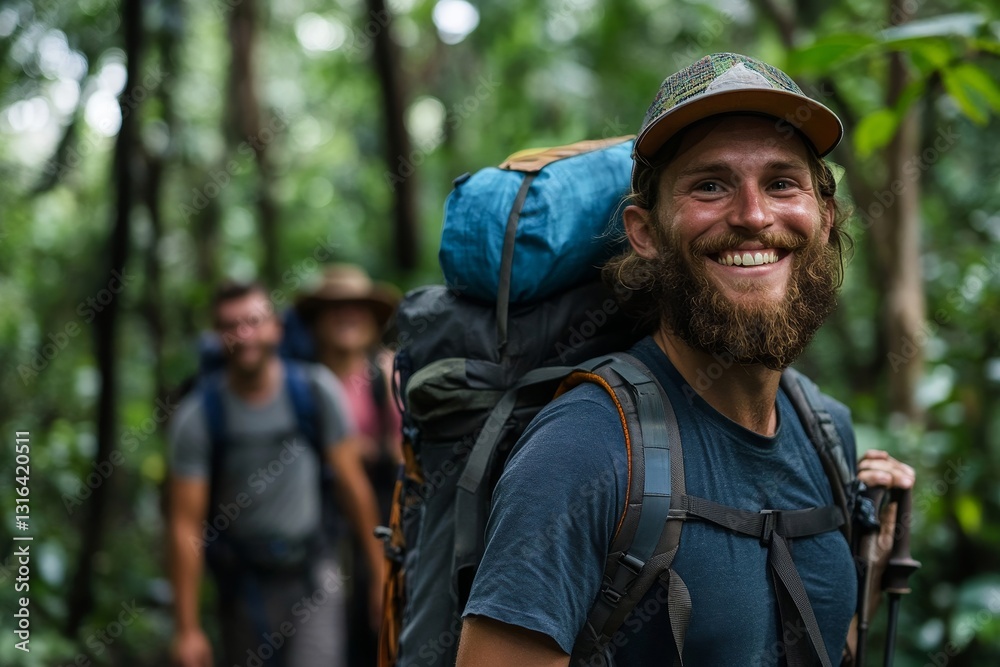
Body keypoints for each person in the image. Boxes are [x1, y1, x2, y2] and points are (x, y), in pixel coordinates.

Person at [456, 53, 916, 666]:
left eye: (782, 182)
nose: (754, 216)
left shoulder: (825, 430)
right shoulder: (583, 451)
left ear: (824, 218)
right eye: (710, 185)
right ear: (645, 232)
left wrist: (870, 569)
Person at [167, 281, 384, 667]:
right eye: (231, 325)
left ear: (275, 328)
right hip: (244, 586)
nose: (244, 335)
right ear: (217, 337)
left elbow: (354, 488)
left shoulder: (316, 392)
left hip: (316, 574)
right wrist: (187, 629)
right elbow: (186, 525)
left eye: (254, 321)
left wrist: (381, 574)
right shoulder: (198, 417)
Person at [295, 264, 403, 667]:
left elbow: (405, 462)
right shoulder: (299, 384)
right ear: (316, 320)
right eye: (336, 308)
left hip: (376, 528)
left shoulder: (387, 375)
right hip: (312, 534)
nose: (347, 315)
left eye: (357, 307)